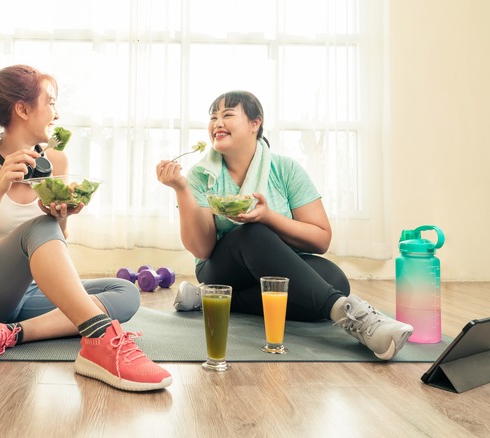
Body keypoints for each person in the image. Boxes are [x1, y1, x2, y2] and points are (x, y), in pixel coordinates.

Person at [0, 64, 172, 391]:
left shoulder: (56, 162)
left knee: (125, 293)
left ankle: (8, 333)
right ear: (23, 109)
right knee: (38, 228)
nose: (56, 113)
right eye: (50, 102)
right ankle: (100, 342)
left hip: (28, 292)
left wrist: (62, 216)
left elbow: (55, 239)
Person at [156, 90, 413, 360]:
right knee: (252, 234)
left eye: (228, 115)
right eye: (213, 117)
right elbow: (202, 247)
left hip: (277, 267)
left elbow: (321, 239)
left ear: (255, 123)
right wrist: (181, 189)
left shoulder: (286, 169)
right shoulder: (201, 175)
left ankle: (212, 299)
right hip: (222, 268)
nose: (217, 123)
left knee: (334, 280)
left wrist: (269, 217)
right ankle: (352, 316)